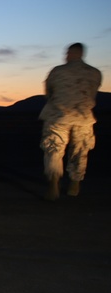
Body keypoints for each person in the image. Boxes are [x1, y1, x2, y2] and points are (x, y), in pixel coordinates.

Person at [40, 42, 103, 200]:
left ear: (72, 53)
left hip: (58, 116)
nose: (65, 56)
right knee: (80, 151)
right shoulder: (95, 73)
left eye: (67, 53)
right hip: (83, 118)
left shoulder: (58, 71)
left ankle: (54, 180)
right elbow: (92, 94)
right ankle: (75, 183)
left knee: (54, 149)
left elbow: (49, 92)